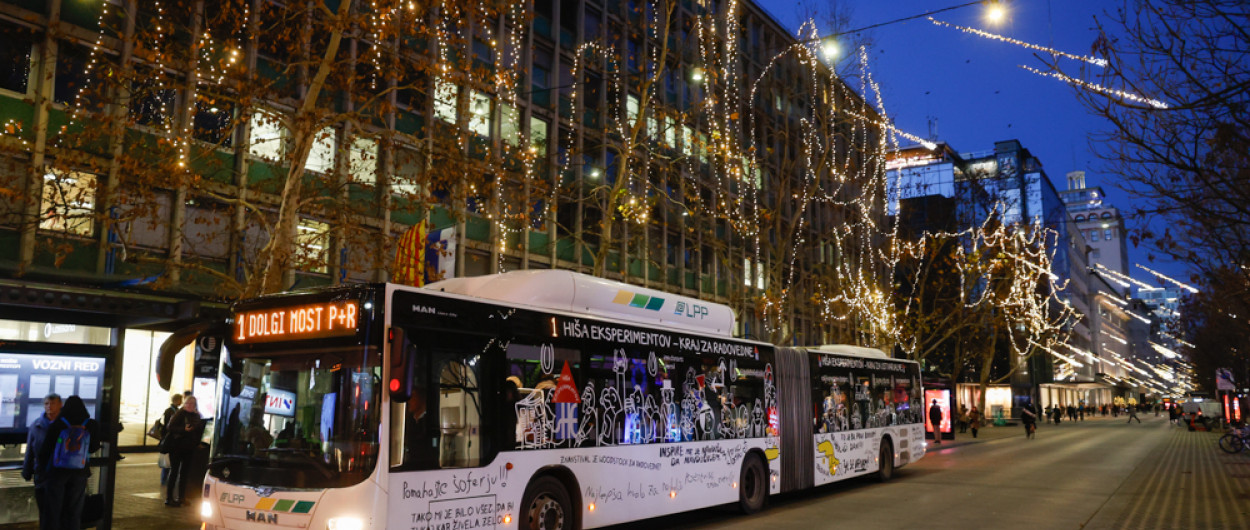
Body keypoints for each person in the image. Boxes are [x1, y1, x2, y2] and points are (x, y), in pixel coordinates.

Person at [37, 395, 101, 530]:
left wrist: (42, 470)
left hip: (57, 473)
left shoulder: (58, 424)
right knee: (74, 512)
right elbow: (94, 447)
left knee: (53, 511)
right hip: (80, 472)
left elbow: (46, 449)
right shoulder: (90, 424)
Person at [22, 393, 62, 530]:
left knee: (55, 513)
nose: (49, 406)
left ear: (60, 405)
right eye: (46, 404)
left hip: (59, 476)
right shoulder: (36, 425)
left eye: (53, 403)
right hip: (41, 475)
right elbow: (30, 450)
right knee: (44, 511)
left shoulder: (65, 425)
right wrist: (27, 471)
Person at [163, 396, 206, 507]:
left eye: (193, 403)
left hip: (189, 448)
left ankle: (181, 497)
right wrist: (183, 429)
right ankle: (169, 498)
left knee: (185, 473)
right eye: (188, 403)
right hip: (176, 447)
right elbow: (170, 427)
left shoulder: (196, 415)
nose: (190, 405)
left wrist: (197, 442)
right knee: (174, 471)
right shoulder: (180, 413)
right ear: (185, 404)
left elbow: (199, 430)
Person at [159, 393, 182, 485]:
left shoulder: (172, 410)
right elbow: (167, 426)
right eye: (180, 400)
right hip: (170, 440)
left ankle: (165, 479)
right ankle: (164, 479)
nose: (181, 402)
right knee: (168, 461)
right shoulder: (172, 411)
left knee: (168, 461)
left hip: (169, 439)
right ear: (176, 400)